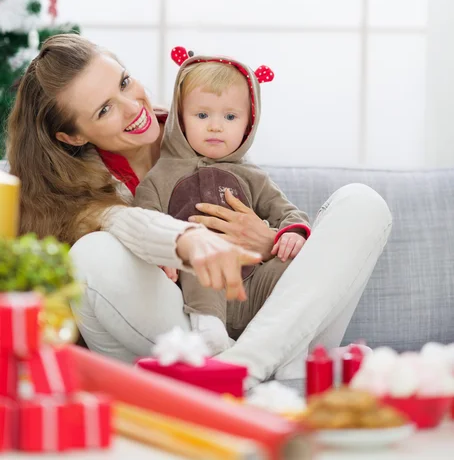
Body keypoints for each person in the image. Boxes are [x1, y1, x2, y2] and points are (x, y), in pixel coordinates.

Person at [7, 33, 392, 388]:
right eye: (105, 109)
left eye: (124, 83)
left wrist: (271, 240)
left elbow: (271, 216)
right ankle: (271, 375)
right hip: (183, 341)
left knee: (362, 204)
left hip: (268, 322)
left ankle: (244, 372)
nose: (132, 108)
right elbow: (127, 222)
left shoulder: (199, 126)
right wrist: (188, 242)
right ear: (73, 135)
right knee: (92, 253)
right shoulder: (70, 194)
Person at [135, 48, 311, 355]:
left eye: (230, 117)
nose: (216, 126)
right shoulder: (161, 176)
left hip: (254, 283)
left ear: (248, 123)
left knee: (291, 269)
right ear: (180, 118)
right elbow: (146, 218)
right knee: (202, 257)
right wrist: (161, 251)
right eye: (202, 115)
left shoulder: (253, 177)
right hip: (198, 288)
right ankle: (210, 331)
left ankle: (280, 340)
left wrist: (292, 234)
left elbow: (288, 213)